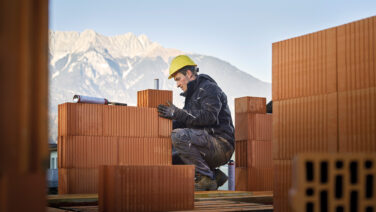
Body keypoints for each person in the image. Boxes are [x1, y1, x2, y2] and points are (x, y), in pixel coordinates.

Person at [157, 55, 235, 191]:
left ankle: (206, 178)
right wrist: (159, 127)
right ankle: (215, 175)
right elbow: (186, 121)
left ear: (188, 73)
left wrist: (177, 113)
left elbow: (209, 117)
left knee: (179, 136)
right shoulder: (192, 96)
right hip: (206, 144)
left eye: (178, 79)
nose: (177, 84)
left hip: (221, 145)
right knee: (170, 156)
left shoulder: (209, 88)